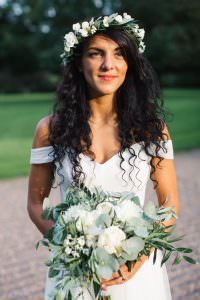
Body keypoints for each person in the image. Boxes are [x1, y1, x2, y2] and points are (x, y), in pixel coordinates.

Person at [27, 12, 179, 300]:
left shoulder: (152, 129)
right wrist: (73, 248)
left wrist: (138, 258)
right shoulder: (50, 129)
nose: (109, 65)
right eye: (96, 54)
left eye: (119, 54)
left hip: (137, 274)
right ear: (78, 63)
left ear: (129, 64)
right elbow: (36, 203)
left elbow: (169, 204)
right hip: (75, 274)